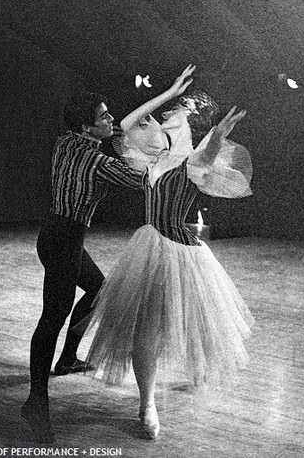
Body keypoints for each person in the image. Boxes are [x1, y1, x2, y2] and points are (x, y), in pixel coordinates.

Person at [74, 65, 255, 440]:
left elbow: (204, 160)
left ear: (193, 124)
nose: (169, 113)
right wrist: (171, 91)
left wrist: (219, 133)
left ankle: (178, 385)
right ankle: (146, 403)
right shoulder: (154, 156)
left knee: (179, 323)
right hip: (150, 243)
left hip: (176, 252)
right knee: (148, 331)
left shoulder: (193, 163)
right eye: (173, 109)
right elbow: (127, 122)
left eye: (180, 110)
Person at [21, 92, 144, 444]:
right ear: (86, 127)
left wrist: (114, 134)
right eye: (104, 117)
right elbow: (139, 181)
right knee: (51, 319)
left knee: (98, 290)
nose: (111, 119)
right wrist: (127, 142)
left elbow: (107, 144)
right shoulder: (95, 161)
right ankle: (36, 404)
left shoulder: (66, 142)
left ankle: (68, 359)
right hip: (64, 242)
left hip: (57, 235)